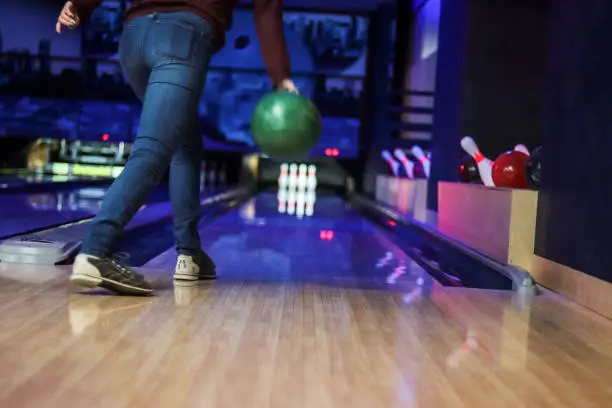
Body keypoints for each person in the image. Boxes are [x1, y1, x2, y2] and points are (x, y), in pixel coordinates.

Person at [56, 0, 295, 296]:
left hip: (134, 37)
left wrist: (81, 4)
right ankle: (95, 251)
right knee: (153, 149)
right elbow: (267, 8)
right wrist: (280, 76)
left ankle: (190, 253)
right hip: (182, 36)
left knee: (185, 141)